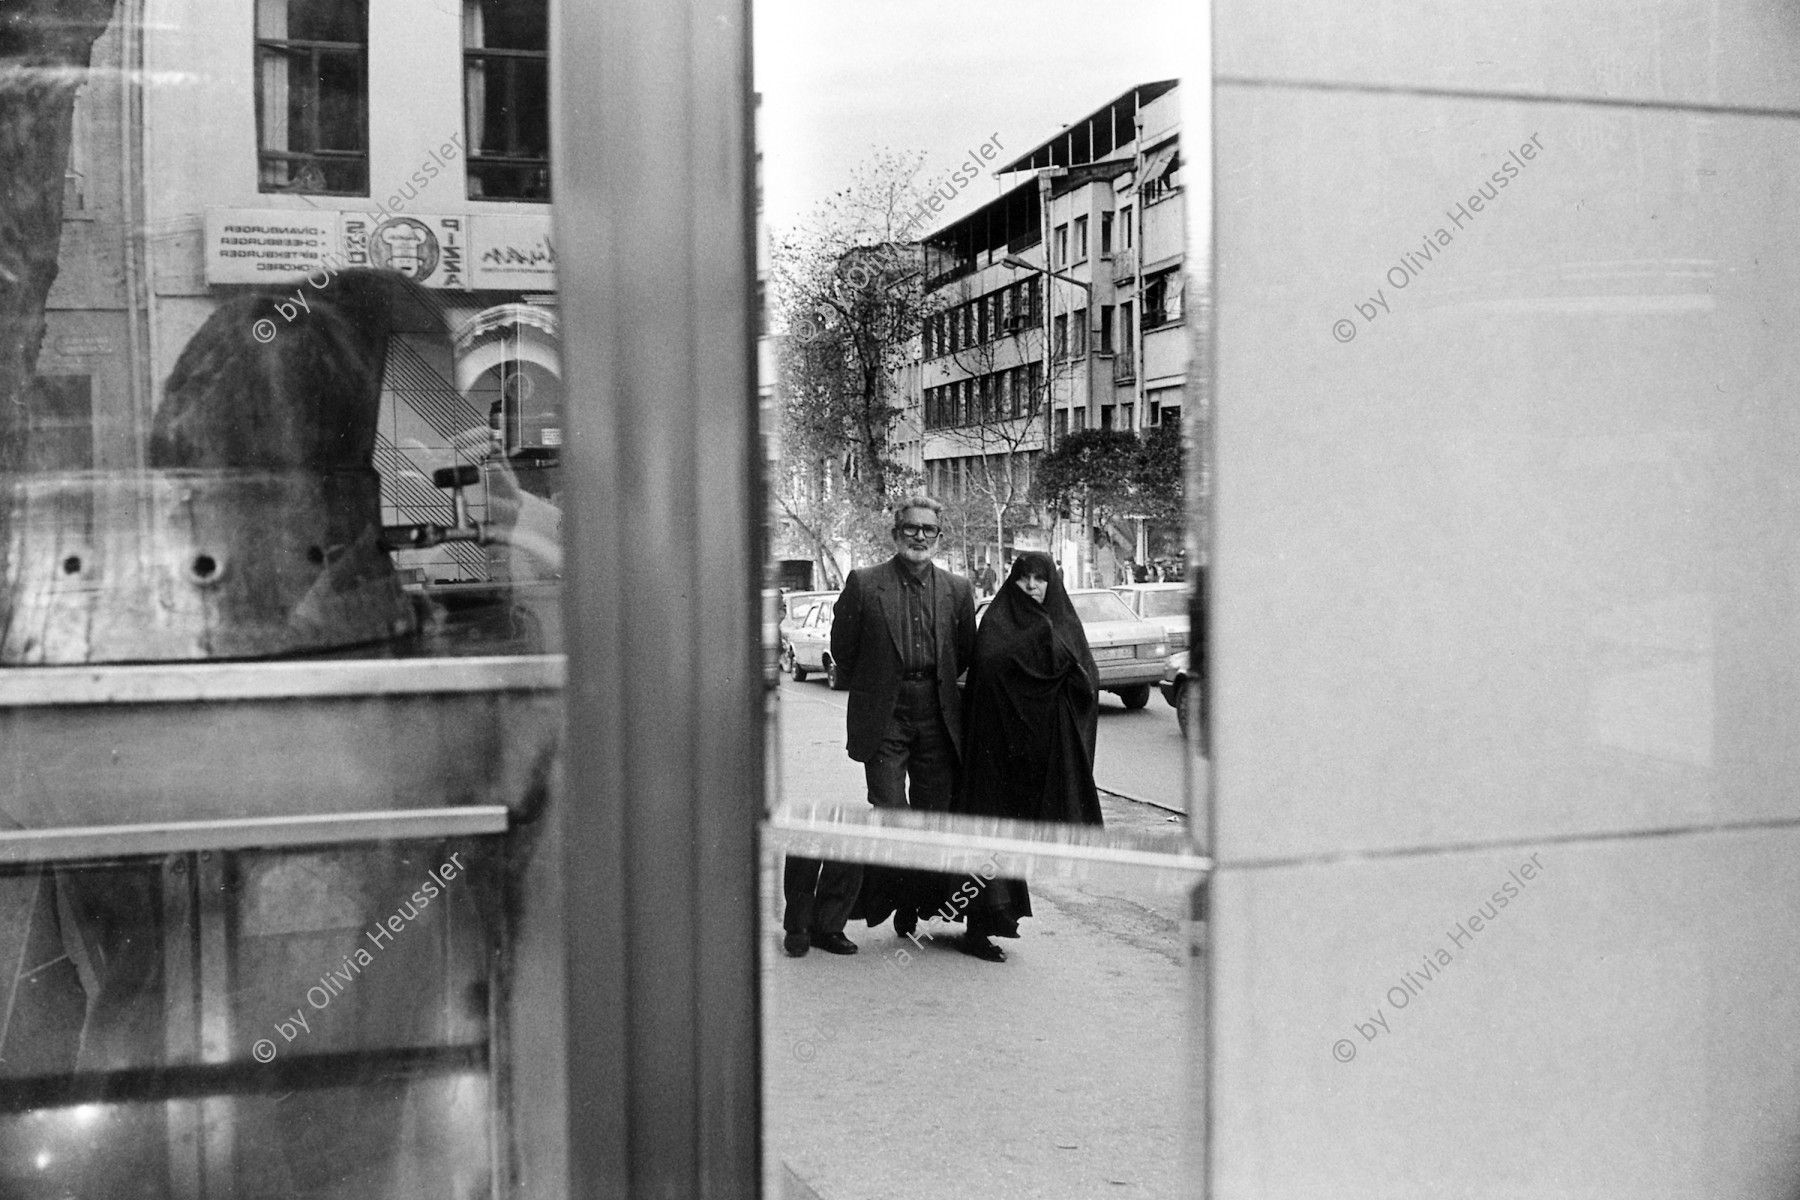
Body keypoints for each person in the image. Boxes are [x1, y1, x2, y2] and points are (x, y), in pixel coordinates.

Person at [780, 496, 977, 956]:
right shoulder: (865, 584)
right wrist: (877, 687)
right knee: (892, 815)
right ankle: (830, 918)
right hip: (885, 715)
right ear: (895, 533)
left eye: (929, 529)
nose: (920, 537)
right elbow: (843, 648)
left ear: (939, 536)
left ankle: (910, 908)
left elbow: (963, 652)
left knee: (932, 822)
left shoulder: (958, 589)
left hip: (937, 713)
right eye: (911, 528)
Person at [949, 551, 1104, 962]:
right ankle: (978, 927)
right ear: (1012, 581)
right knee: (990, 835)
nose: (1032, 586)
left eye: (1040, 579)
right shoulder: (997, 621)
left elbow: (1086, 681)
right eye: (1024, 579)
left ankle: (999, 919)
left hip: (1040, 753)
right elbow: (987, 674)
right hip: (995, 750)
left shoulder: (1063, 621)